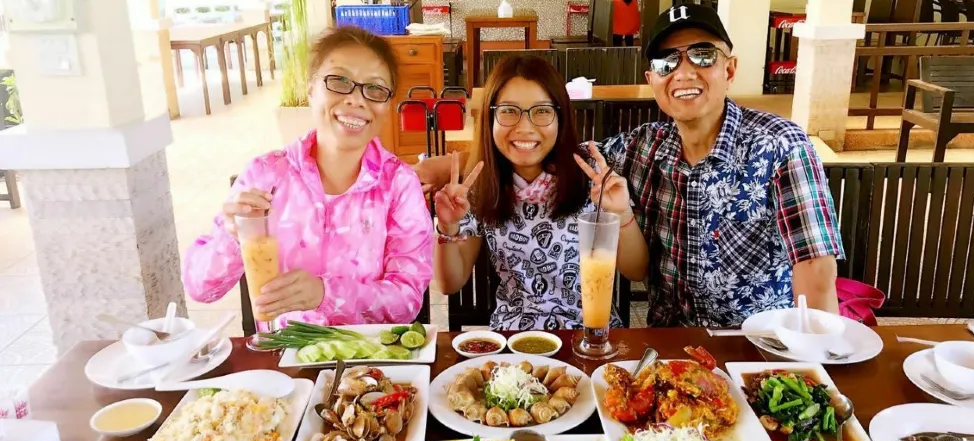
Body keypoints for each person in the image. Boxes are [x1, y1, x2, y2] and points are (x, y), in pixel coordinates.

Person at [417, 5, 843, 328]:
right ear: (651, 78)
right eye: (666, 62)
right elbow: (544, 151)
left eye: (702, 55)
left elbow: (816, 270)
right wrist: (449, 168)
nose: (683, 72)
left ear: (729, 68)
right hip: (666, 343)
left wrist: (818, 367)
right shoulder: (644, 147)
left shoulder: (779, 144)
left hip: (754, 345)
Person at [183, 26, 433, 327]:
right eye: (339, 81)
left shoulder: (398, 184)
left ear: (388, 104)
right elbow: (201, 288)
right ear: (311, 88)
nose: (357, 100)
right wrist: (233, 236)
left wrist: (325, 295)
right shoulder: (267, 175)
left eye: (375, 89)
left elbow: (407, 300)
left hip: (370, 353)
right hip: (285, 350)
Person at [432, 55, 649, 331]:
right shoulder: (480, 184)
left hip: (591, 334)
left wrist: (621, 212)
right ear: (489, 117)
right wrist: (447, 227)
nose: (524, 127)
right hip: (514, 336)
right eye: (508, 111)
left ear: (561, 116)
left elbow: (636, 270)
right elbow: (450, 284)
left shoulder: (593, 175)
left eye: (542, 111)